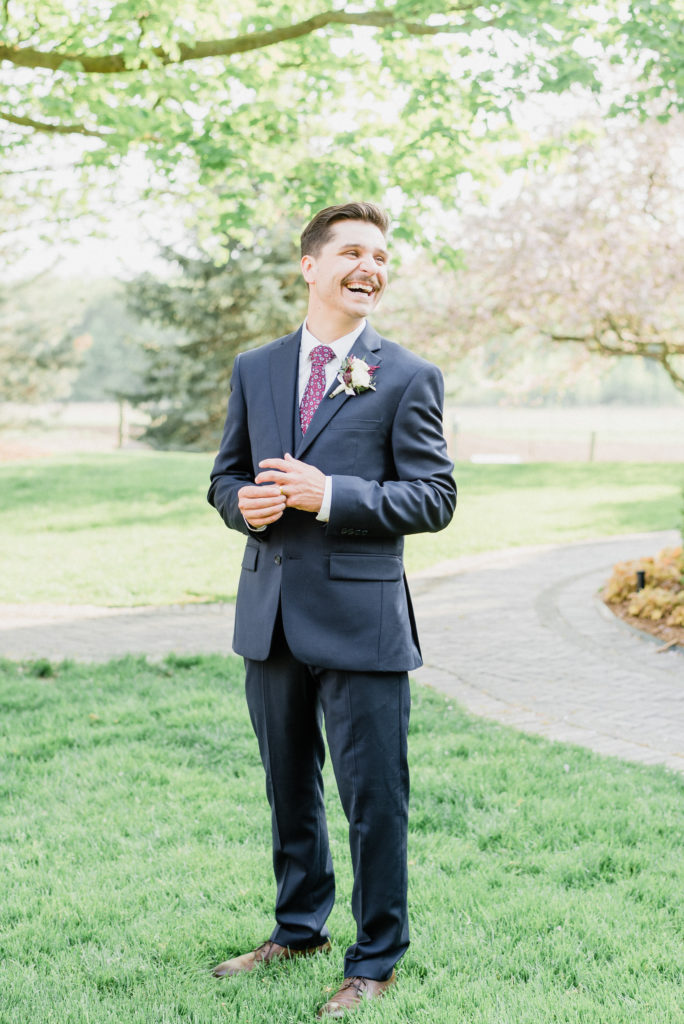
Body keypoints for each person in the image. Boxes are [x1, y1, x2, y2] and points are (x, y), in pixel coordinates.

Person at [207, 201, 457, 1018]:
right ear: (309, 265)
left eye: (381, 256)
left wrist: (330, 496)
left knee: (373, 796)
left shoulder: (408, 376)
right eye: (353, 251)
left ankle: (376, 957)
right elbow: (225, 475)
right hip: (271, 614)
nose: (371, 267)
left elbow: (435, 496)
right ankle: (297, 927)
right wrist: (240, 502)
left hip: (362, 623)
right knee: (290, 786)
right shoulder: (256, 367)